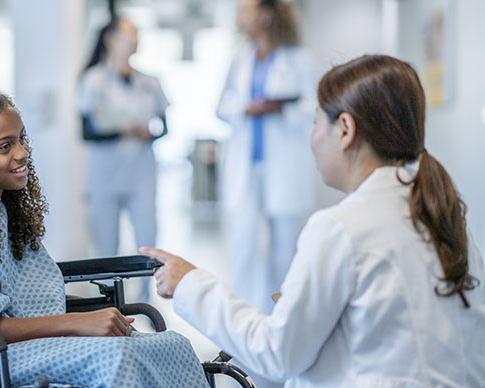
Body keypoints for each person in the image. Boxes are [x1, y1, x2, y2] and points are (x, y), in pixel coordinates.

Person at [141, 55, 485, 386]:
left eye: (317, 122)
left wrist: (190, 283)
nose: (312, 139)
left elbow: (276, 354)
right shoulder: (444, 215)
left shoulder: (341, 227)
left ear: (345, 129)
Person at [0, 91, 209, 388]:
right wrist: (75, 323)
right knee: (118, 354)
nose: (22, 153)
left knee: (172, 344)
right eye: (5, 146)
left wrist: (76, 325)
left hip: (28, 346)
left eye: (21, 139)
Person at [217, 0, 317, 317]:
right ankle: (247, 317)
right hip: (247, 166)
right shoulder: (241, 58)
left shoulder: (298, 59)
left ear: (267, 15)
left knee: (285, 248)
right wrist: (245, 108)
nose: (240, 16)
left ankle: (285, 316)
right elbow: (221, 106)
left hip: (283, 166)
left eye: (246, 9)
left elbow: (315, 108)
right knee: (244, 242)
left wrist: (279, 107)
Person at [78, 17, 169, 303]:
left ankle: (146, 301)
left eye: (136, 32)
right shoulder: (94, 80)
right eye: (128, 33)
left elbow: (164, 127)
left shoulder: (150, 82)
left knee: (147, 239)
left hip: (141, 173)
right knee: (107, 245)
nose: (134, 38)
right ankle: (110, 303)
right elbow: (86, 132)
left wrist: (149, 133)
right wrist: (122, 130)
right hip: (105, 175)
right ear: (110, 39)